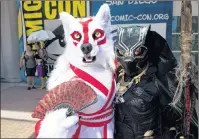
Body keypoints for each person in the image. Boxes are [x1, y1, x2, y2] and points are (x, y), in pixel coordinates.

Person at [114, 25, 198, 139]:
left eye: (137, 50)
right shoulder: (114, 78)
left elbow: (177, 121)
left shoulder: (160, 80)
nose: (129, 59)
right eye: (122, 51)